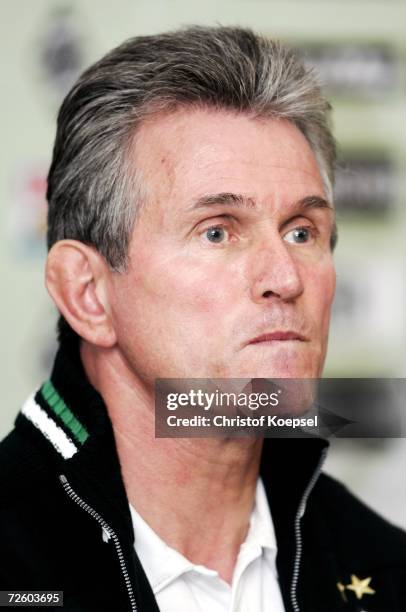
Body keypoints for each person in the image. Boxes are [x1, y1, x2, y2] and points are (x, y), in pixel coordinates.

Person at [0, 25, 405, 612]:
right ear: (88, 293)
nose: (286, 277)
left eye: (302, 231)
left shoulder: (382, 569)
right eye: (217, 231)